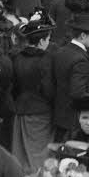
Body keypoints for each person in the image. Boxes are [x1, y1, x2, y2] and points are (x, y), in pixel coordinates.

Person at [50, 13, 89, 142]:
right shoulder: (80, 59)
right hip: (74, 121)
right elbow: (78, 93)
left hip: (60, 116)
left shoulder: (61, 51)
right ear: (83, 35)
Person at [9, 21, 54, 169]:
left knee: (21, 155)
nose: (49, 43)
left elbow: (14, 87)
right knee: (40, 156)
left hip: (21, 109)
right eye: (48, 39)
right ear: (41, 41)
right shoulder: (46, 59)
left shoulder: (17, 58)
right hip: (41, 112)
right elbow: (48, 89)